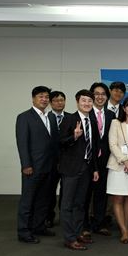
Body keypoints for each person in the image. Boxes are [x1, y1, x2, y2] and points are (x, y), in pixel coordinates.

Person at [15, 86, 59, 244]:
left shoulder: (51, 117)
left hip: (49, 167)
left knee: (44, 199)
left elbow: (54, 143)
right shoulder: (24, 117)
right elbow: (22, 143)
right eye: (41, 96)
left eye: (47, 97)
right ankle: (24, 231)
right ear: (33, 98)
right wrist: (26, 164)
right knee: (28, 200)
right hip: (32, 167)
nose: (44, 99)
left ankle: (39, 226)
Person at [59, 89, 100, 250]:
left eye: (90, 101)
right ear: (77, 102)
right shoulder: (69, 119)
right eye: (84, 101)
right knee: (67, 204)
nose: (87, 104)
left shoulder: (92, 121)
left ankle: (77, 234)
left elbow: (94, 148)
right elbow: (60, 142)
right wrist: (74, 137)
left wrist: (95, 169)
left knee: (80, 204)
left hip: (87, 168)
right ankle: (69, 238)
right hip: (70, 169)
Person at [106, 95, 128, 244]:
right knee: (118, 198)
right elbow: (112, 144)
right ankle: (123, 231)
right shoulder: (115, 123)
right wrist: (124, 161)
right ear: (124, 108)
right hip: (117, 165)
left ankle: (126, 228)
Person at [83, 82, 115, 238]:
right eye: (96, 94)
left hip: (105, 161)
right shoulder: (85, 113)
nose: (100, 97)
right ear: (91, 96)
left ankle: (99, 223)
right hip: (87, 161)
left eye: (103, 94)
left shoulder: (111, 115)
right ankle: (84, 225)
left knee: (101, 193)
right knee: (85, 194)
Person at [45, 90, 71, 228]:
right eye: (55, 100)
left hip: (67, 161)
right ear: (50, 103)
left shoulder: (71, 117)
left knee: (66, 191)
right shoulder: (46, 118)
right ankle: (48, 216)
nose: (59, 103)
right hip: (51, 162)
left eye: (62, 100)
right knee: (49, 191)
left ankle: (64, 216)